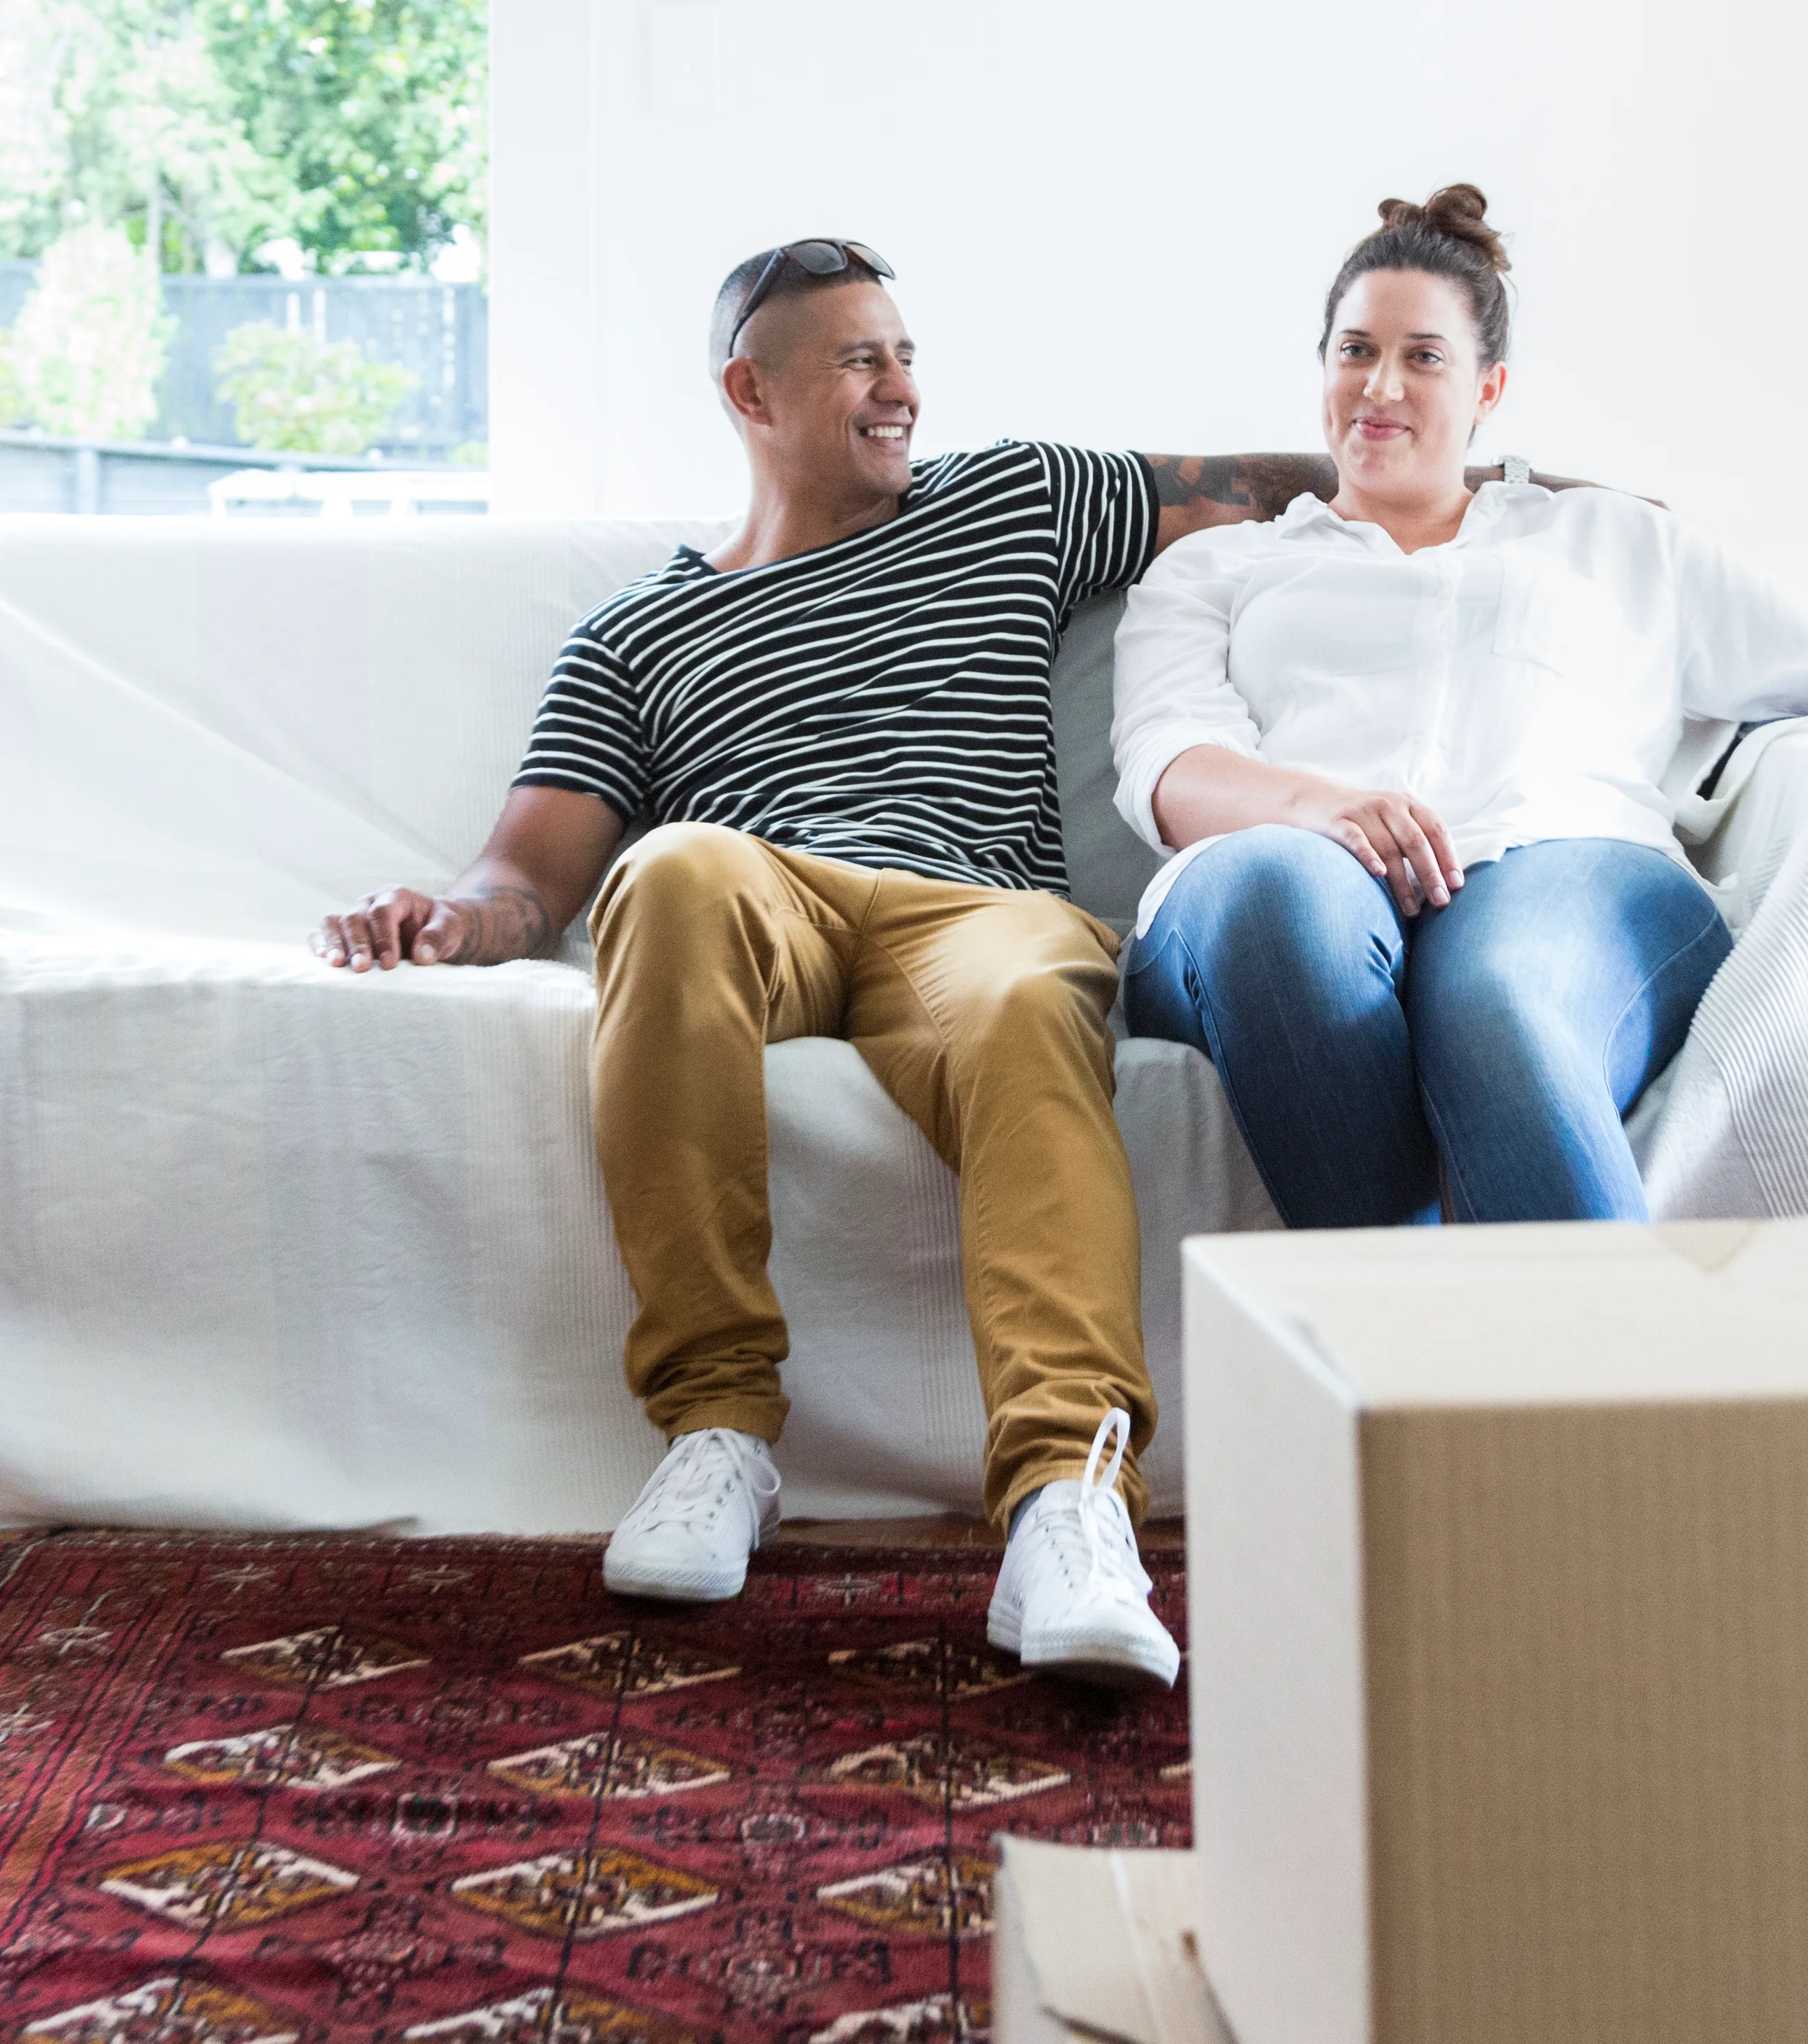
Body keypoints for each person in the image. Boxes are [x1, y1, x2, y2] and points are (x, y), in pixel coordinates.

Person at [313, 235, 1485, 1688]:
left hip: (979, 912)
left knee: (1020, 1002)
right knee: (669, 867)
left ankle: (1068, 1497)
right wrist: (441, 918)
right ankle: (718, 1432)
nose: (900, 388)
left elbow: (1261, 480)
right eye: (860, 359)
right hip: (767, 895)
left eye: (907, 353)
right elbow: (522, 878)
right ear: (752, 388)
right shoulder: (634, 638)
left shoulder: (1016, 499)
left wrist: (1525, 498)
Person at [1109, 188, 1808, 1231]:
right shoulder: (1221, 567)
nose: (1380, 386)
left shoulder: (1614, 543)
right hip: (1286, 876)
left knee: (1503, 1000)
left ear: (1488, 388)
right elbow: (1166, 761)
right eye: (1354, 351)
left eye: (1424, 358)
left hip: (1561, 865)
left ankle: (1492, 1376)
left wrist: (1726, 777)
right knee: (1278, 896)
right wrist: (1320, 810)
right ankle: (1441, 1345)